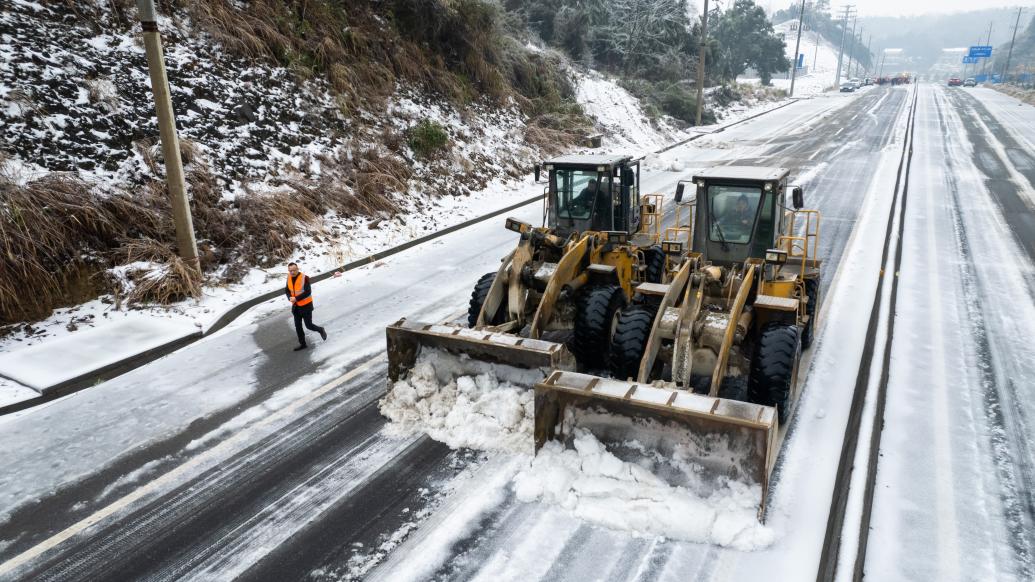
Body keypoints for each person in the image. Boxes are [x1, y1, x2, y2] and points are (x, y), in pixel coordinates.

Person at [285, 262, 327, 351]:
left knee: (309, 325)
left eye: (293, 270)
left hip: (306, 306)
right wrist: (290, 297)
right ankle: (303, 344)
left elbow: (308, 292)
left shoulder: (305, 278)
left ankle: (320, 330)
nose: (292, 272)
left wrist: (296, 298)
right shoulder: (289, 277)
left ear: (297, 269)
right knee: (298, 326)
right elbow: (287, 290)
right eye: (290, 271)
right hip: (296, 307)